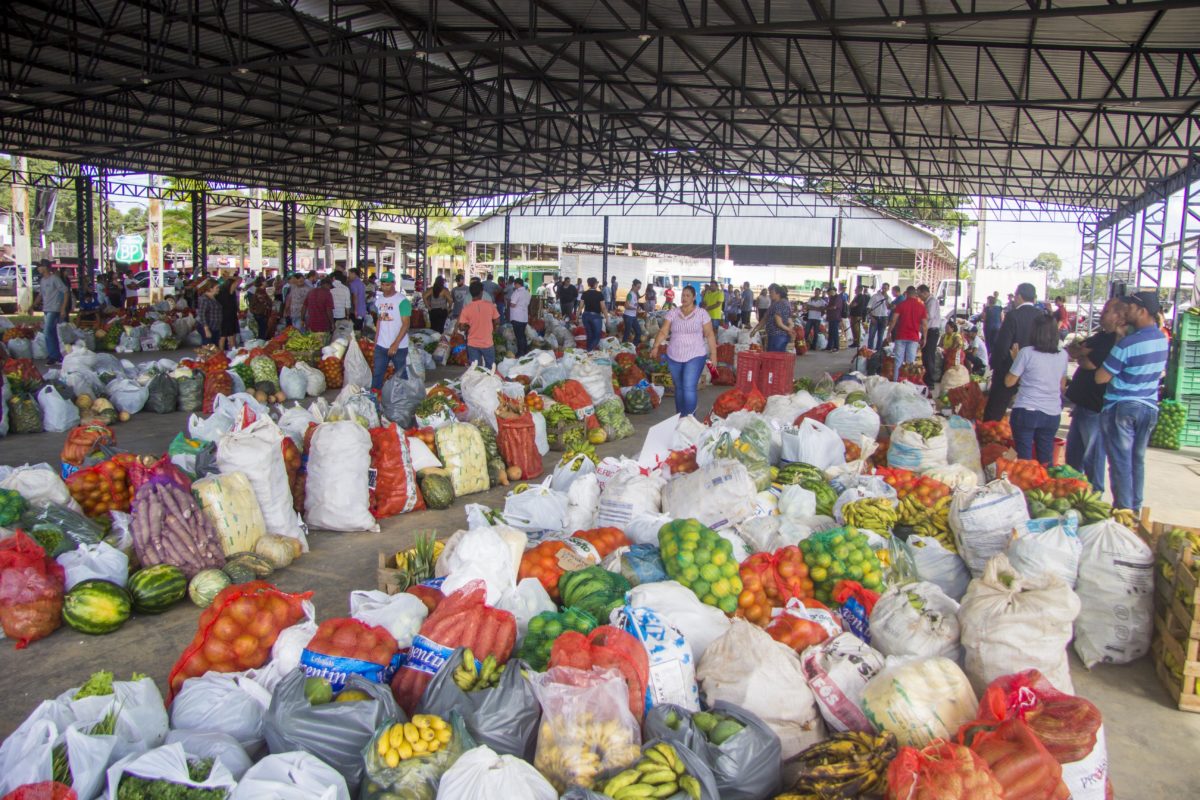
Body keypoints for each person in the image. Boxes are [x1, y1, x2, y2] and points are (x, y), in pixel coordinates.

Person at [1095, 291, 1170, 512]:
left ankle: (1123, 511)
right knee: (1137, 460)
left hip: (1122, 407)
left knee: (1120, 462)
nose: (1125, 312)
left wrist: (1118, 340)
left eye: (1129, 308)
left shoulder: (1128, 343)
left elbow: (1101, 376)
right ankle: (1135, 509)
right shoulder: (1161, 339)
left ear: (1143, 311)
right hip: (1148, 406)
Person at [1065, 297, 1125, 491]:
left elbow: (1089, 363)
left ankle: (1094, 497)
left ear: (1118, 316)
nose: (1102, 313)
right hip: (1081, 405)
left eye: (1107, 311)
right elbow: (1073, 351)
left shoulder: (1114, 341)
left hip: (1095, 408)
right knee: (1073, 458)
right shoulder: (1100, 336)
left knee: (1093, 458)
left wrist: (1083, 353)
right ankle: (1073, 492)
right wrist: (1082, 352)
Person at [1004, 315, 1069, 464]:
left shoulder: (1026, 353)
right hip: (1052, 413)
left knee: (1024, 460)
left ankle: (1025, 486)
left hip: (1026, 411)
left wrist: (1015, 360)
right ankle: (1044, 485)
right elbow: (1061, 386)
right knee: (1046, 459)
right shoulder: (1063, 355)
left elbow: (1009, 382)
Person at [650, 285, 719, 418]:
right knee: (679, 388)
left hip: (695, 355)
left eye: (688, 296)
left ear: (694, 298)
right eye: (683, 295)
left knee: (688, 387)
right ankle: (680, 418)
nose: (684, 298)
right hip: (674, 356)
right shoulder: (673, 312)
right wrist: (656, 346)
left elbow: (709, 334)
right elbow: (664, 331)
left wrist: (713, 355)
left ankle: (690, 419)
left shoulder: (702, 313)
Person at [984, 283, 1044, 421]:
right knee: (1029, 410)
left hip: (1010, 368)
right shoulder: (1041, 316)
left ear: (1019, 297)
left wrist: (994, 366)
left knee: (995, 410)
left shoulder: (1013, 316)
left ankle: (988, 436)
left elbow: (1002, 345)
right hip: (1034, 371)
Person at [368, 272, 412, 390]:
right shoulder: (379, 301)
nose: (385, 287)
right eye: (383, 285)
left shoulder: (402, 301)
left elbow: (406, 324)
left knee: (401, 376)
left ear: (394, 284)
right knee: (377, 375)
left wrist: (395, 344)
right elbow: (379, 321)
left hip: (399, 347)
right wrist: (376, 342)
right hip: (382, 345)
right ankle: (375, 399)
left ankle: (404, 401)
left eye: (388, 285)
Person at [887, 286, 928, 381]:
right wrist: (925, 338)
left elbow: (893, 319)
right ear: (915, 294)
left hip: (900, 336)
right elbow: (925, 325)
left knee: (898, 361)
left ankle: (896, 381)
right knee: (910, 362)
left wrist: (889, 332)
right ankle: (908, 382)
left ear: (907, 293)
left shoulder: (901, 305)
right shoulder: (921, 306)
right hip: (913, 337)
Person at [459, 281, 500, 367]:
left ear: (470, 293)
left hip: (472, 343)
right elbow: (497, 321)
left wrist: (469, 326)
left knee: (476, 370)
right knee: (490, 369)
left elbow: (462, 327)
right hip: (487, 342)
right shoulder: (490, 306)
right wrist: (493, 330)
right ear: (482, 292)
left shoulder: (466, 309)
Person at [37, 261, 68, 366]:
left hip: (54, 309)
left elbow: (66, 292)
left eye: (40, 266)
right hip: (46, 309)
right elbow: (40, 295)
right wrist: (32, 306)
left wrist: (63, 308)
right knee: (52, 333)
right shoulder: (42, 280)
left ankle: (53, 356)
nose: (38, 269)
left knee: (47, 332)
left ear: (45, 267)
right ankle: (58, 356)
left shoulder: (54, 279)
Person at [750, 284, 794, 352]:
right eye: (769, 292)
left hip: (777, 337)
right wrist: (755, 330)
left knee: (774, 358)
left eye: (771, 292)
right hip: (777, 337)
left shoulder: (779, 304)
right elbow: (765, 319)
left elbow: (778, 323)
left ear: (778, 293)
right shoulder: (779, 304)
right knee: (775, 358)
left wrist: (789, 330)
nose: (770, 294)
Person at [917, 284, 943, 388]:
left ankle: (930, 381)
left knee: (929, 356)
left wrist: (918, 316)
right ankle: (927, 378)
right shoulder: (927, 302)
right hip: (927, 331)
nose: (920, 297)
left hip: (932, 331)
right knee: (925, 355)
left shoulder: (931, 301)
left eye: (920, 295)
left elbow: (929, 316)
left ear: (925, 292)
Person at [580, 277, 609, 351]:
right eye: (597, 283)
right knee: (597, 336)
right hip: (595, 316)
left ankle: (588, 352)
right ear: (595, 284)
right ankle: (589, 350)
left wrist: (577, 317)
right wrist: (607, 318)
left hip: (585, 316)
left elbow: (580, 306)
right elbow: (603, 308)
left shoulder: (585, 293)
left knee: (589, 335)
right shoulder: (599, 294)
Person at [508, 278, 531, 356]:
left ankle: (520, 353)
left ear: (517, 284)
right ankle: (525, 351)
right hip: (524, 317)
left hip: (517, 317)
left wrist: (509, 303)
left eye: (515, 284)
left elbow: (513, 304)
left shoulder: (517, 292)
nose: (514, 286)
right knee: (522, 335)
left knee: (519, 336)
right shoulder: (527, 292)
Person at [216, 276, 241, 349]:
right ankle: (227, 352)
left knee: (227, 336)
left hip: (227, 316)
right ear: (231, 284)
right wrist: (229, 277)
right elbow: (239, 279)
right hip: (226, 317)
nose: (237, 285)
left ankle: (226, 352)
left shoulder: (227, 292)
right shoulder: (226, 292)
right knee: (227, 336)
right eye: (235, 284)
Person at [196, 279, 221, 345]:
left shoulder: (213, 297)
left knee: (214, 347)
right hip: (207, 327)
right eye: (217, 287)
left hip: (214, 327)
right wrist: (206, 329)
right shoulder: (204, 299)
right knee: (208, 347)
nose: (219, 289)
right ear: (210, 289)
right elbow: (202, 314)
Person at [867, 283, 891, 350]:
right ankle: (870, 350)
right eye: (883, 288)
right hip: (875, 317)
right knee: (871, 335)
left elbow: (889, 307)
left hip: (884, 318)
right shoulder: (875, 296)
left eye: (886, 288)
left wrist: (886, 299)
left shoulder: (889, 298)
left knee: (880, 336)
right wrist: (871, 317)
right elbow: (869, 307)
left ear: (888, 289)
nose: (884, 290)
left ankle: (878, 350)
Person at [825, 285, 845, 351]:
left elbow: (834, 307)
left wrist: (826, 308)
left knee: (835, 332)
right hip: (831, 317)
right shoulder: (831, 298)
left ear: (833, 291)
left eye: (829, 292)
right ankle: (829, 346)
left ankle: (836, 347)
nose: (829, 294)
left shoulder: (838, 298)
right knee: (830, 332)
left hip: (835, 317)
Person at [623, 279, 642, 345]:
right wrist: (635, 308)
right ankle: (623, 348)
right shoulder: (630, 294)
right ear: (633, 286)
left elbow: (634, 304)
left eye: (640, 287)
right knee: (627, 333)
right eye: (638, 287)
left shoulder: (635, 294)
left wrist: (637, 307)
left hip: (633, 316)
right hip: (628, 316)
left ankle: (634, 346)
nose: (638, 289)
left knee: (638, 332)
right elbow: (626, 306)